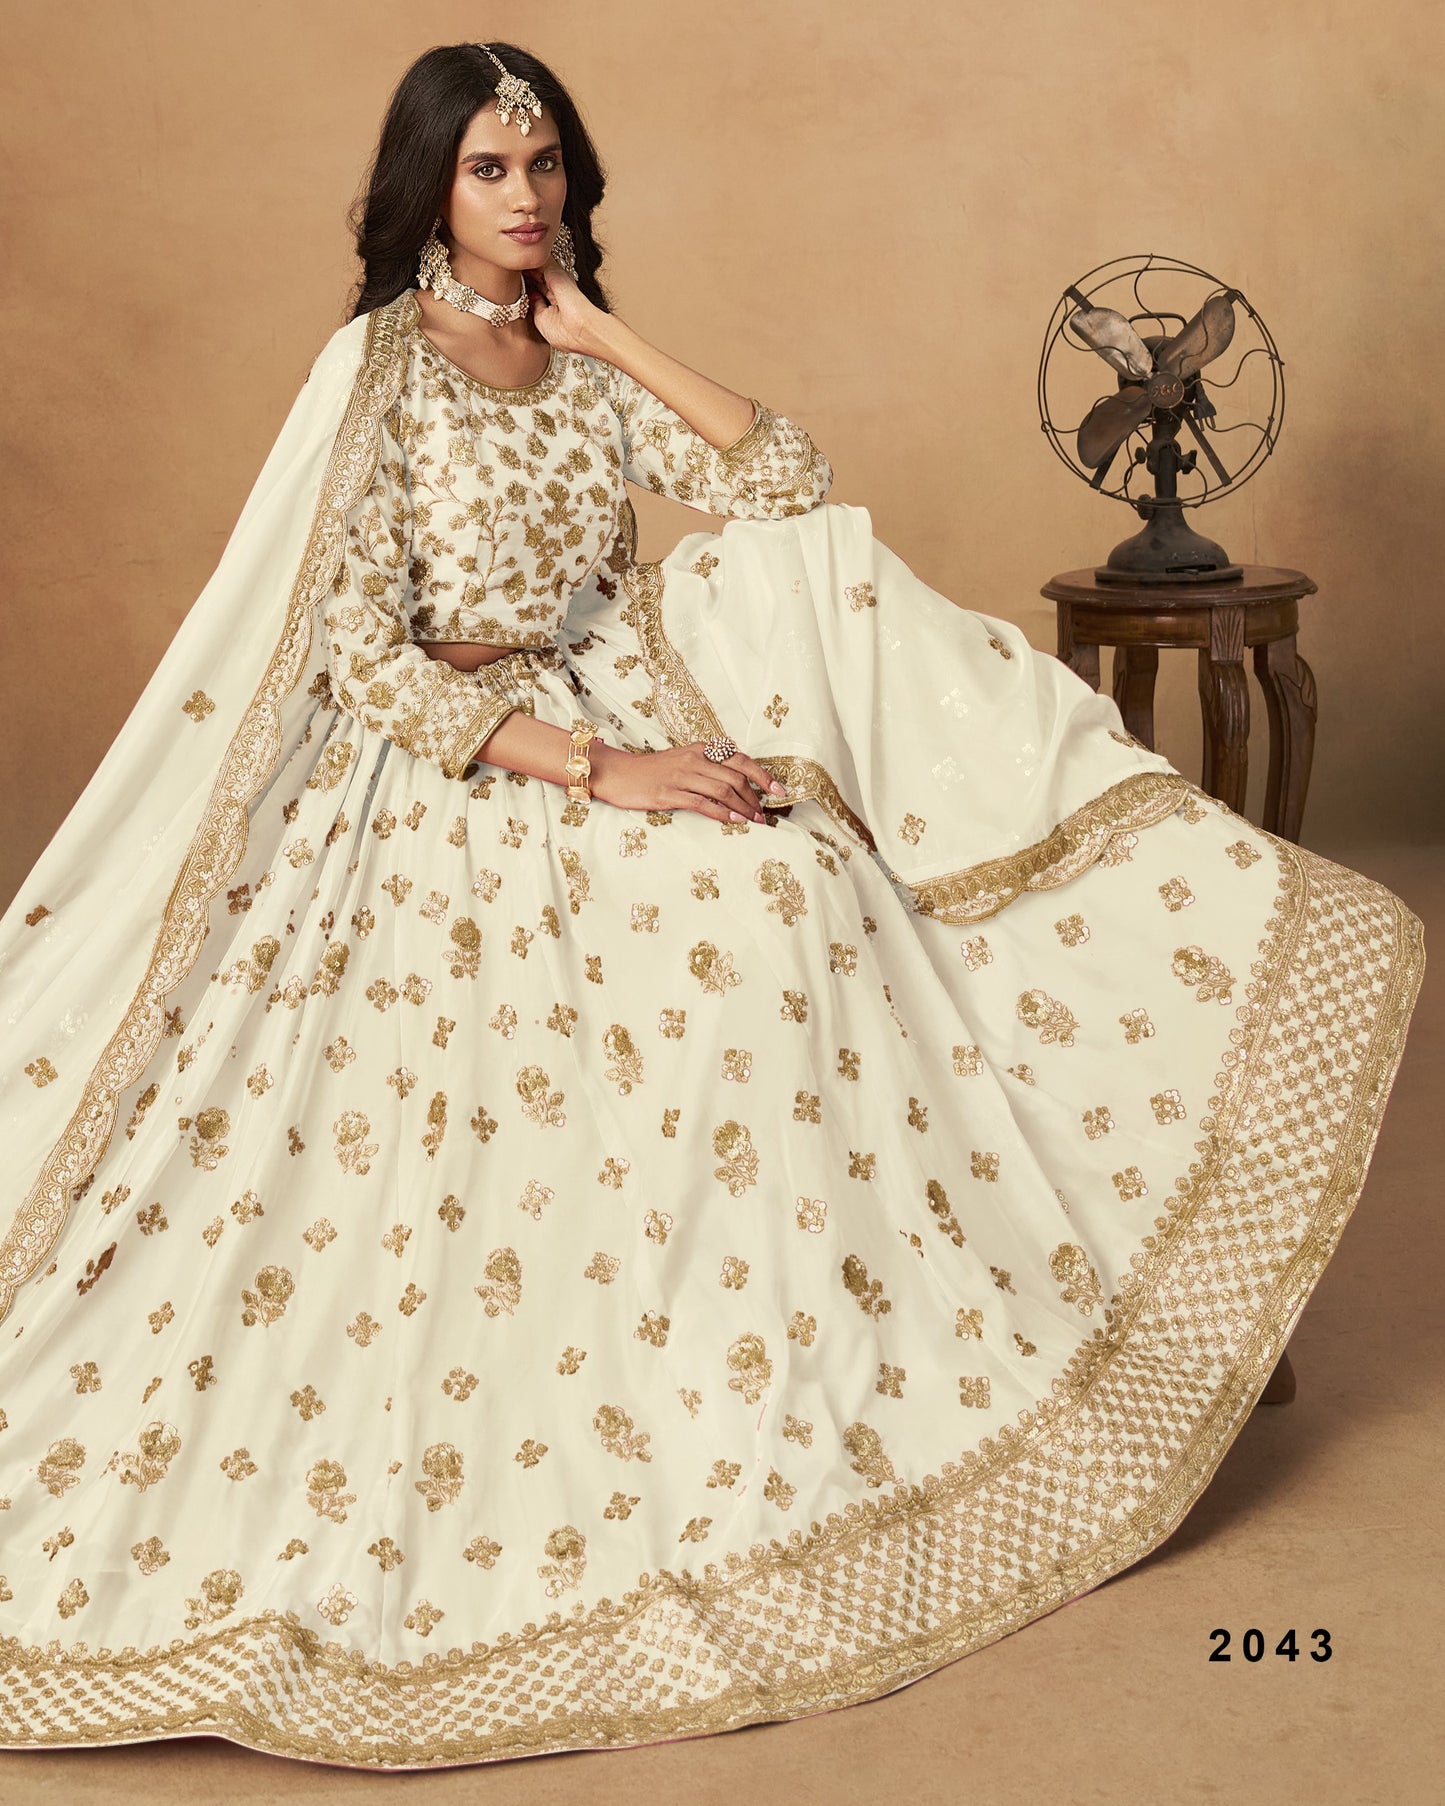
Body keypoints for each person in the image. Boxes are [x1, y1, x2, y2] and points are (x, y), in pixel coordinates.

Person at [0, 40, 1424, 1773]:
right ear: (425, 191)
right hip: (458, 769)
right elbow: (351, 653)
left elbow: (783, 485)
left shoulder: (570, 351)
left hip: (611, 687)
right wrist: (594, 773)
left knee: (795, 880)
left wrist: (599, 333)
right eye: (492, 173)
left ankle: (835, 1331)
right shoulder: (374, 369)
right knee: (706, 920)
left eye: (548, 167)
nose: (529, 200)